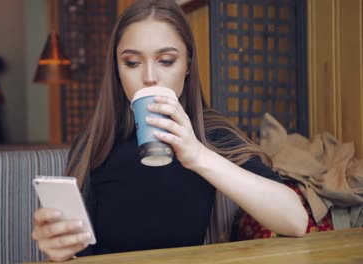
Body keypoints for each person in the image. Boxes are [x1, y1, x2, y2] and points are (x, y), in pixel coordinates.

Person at [32, 0, 308, 261]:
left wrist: (198, 155)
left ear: (187, 65)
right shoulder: (95, 140)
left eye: (166, 60)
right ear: (117, 70)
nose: (149, 76)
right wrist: (58, 250)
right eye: (132, 62)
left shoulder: (209, 131)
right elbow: (78, 249)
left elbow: (295, 221)